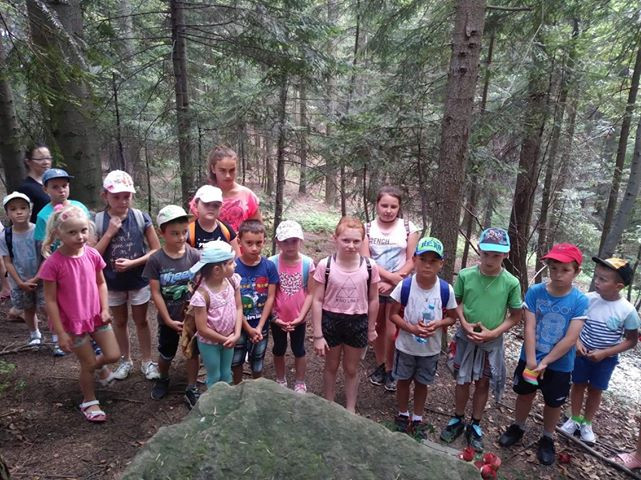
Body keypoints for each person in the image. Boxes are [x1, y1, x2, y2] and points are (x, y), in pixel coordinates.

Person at [499, 243, 588, 466]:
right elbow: (529, 326)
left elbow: (571, 338)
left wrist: (546, 361)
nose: (558, 274)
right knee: (524, 394)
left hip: (560, 364)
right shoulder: (536, 292)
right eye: (553, 268)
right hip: (530, 357)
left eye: (565, 270)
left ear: (576, 271)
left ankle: (547, 437)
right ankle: (518, 426)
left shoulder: (579, 301)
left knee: (553, 402)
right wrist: (531, 359)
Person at [439, 227, 522, 452]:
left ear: (505, 255)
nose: (490, 260)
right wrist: (464, 323)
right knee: (462, 380)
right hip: (466, 338)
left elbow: (516, 316)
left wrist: (494, 333)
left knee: (483, 382)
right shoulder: (466, 275)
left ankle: (475, 423)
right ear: (480, 251)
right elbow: (456, 303)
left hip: (490, 343)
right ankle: (457, 418)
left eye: (496, 255)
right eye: (486, 254)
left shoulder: (511, 282)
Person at [39, 204, 120, 422]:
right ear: (58, 234)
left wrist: (105, 308)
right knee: (88, 364)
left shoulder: (92, 255)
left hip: (96, 316)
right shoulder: (53, 264)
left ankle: (99, 368)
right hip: (72, 323)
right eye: (72, 232)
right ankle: (89, 401)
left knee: (113, 355)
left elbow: (101, 283)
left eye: (83, 230)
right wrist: (60, 332)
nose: (80, 236)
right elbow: (50, 300)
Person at [560, 257, 639, 443]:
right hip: (581, 354)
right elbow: (573, 323)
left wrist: (605, 353)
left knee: (596, 389)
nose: (596, 281)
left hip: (606, 359)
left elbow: (631, 341)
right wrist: (576, 341)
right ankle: (575, 419)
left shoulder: (627, 311)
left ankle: (587, 423)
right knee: (578, 384)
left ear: (619, 286)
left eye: (603, 279)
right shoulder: (587, 300)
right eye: (597, 277)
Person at [94, 170, 161, 381]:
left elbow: (156, 249)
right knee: (120, 321)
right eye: (116, 197)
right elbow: (92, 255)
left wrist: (134, 263)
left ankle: (147, 361)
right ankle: (125, 360)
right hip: (111, 282)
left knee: (142, 320)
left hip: (138, 280)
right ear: (105, 196)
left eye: (127, 196)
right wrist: (109, 233)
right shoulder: (98, 220)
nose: (123, 201)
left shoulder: (140, 217)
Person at [389, 237, 458, 438]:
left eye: (433, 261)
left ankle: (417, 417)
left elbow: (452, 317)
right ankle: (403, 414)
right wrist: (411, 328)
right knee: (403, 380)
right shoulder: (405, 286)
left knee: (422, 383)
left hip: (430, 349)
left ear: (441, 264)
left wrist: (437, 324)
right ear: (414, 260)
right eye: (423, 259)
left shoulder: (445, 290)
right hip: (405, 346)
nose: (427, 265)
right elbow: (393, 314)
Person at [312, 216, 380, 413]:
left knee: (351, 368)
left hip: (357, 321)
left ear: (363, 241)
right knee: (331, 365)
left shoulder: (370, 266)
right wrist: (318, 334)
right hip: (331, 319)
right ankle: (329, 405)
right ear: (335, 239)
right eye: (346, 240)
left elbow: (373, 299)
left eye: (356, 241)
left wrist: (371, 328)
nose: (351, 245)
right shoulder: (325, 265)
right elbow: (317, 300)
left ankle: (351, 409)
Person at [143, 205, 201, 408]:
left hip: (191, 317)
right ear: (162, 233)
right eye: (174, 233)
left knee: (193, 352)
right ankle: (163, 378)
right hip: (168, 317)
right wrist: (167, 319)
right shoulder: (156, 260)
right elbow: (156, 292)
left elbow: (201, 284)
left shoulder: (194, 255)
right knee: (166, 352)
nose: (181, 237)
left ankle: (191, 386)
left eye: (184, 232)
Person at [362, 186, 419, 392]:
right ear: (377, 205)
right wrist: (387, 278)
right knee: (377, 327)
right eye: (384, 205)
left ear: (399, 207)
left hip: (400, 287)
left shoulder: (408, 228)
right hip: (374, 285)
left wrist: (395, 280)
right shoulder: (367, 228)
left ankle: (391, 368)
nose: (388, 210)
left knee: (392, 329)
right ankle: (381, 365)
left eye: (393, 206)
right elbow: (367, 259)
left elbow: (413, 259)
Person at [269, 220, 315, 393]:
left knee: (299, 349)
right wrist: (274, 317)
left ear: (300, 241)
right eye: (285, 241)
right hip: (278, 317)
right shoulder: (272, 263)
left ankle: (300, 381)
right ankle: (280, 378)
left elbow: (311, 293)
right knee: (279, 348)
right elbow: (269, 293)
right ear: (278, 242)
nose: (290, 245)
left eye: (294, 241)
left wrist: (301, 317)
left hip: (298, 317)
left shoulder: (307, 263)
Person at [231, 220, 279, 384]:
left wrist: (259, 327)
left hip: (261, 325)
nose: (254, 248)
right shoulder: (233, 268)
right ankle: (238, 388)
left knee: (257, 361)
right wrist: (247, 328)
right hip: (238, 325)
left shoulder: (269, 267)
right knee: (236, 361)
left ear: (264, 241)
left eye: (258, 243)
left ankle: (257, 389)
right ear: (239, 242)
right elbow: (233, 302)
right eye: (249, 243)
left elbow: (270, 297)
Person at [189, 241, 242, 387]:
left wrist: (236, 334)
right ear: (217, 269)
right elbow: (202, 329)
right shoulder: (201, 295)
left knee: (226, 373)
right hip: (210, 343)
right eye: (231, 263)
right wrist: (225, 339)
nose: (235, 265)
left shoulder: (232, 281)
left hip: (230, 338)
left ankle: (226, 398)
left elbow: (239, 307)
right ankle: (213, 400)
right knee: (215, 375)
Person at [0, 193, 45, 347]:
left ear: (29, 211)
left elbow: (45, 257)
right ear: (7, 213)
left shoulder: (38, 231)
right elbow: (7, 261)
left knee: (46, 307)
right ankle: (34, 334)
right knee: (28, 308)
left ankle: (56, 336)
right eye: (13, 209)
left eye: (23, 208)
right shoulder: (5, 235)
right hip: (19, 280)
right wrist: (20, 282)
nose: (19, 212)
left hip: (41, 278)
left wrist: (37, 278)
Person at [206, 145, 262, 231]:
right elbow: (190, 229)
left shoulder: (247, 195)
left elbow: (258, 230)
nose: (228, 175)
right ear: (213, 169)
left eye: (232, 170)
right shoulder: (204, 196)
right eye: (222, 170)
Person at [34, 168, 90, 245]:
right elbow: (40, 243)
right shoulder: (43, 215)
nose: (61, 190)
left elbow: (90, 233)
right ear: (45, 189)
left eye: (64, 186)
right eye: (55, 187)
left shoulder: (80, 207)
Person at [187, 184, 240, 255]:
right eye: (206, 204)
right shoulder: (188, 232)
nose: (211, 208)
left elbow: (237, 257)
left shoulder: (226, 230)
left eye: (215, 205)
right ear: (196, 205)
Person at [17, 143, 52, 223]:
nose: (46, 162)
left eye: (48, 158)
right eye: (40, 159)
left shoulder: (53, 184)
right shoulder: (25, 188)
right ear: (28, 161)